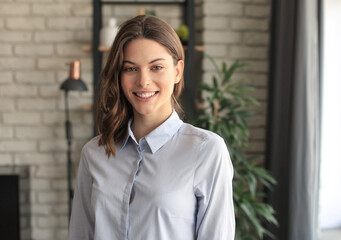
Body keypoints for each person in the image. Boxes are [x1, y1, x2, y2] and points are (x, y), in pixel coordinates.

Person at [69, 15, 235, 240]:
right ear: (119, 75)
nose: (143, 81)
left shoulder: (206, 151)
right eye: (130, 69)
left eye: (156, 67)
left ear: (177, 72)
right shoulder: (94, 153)